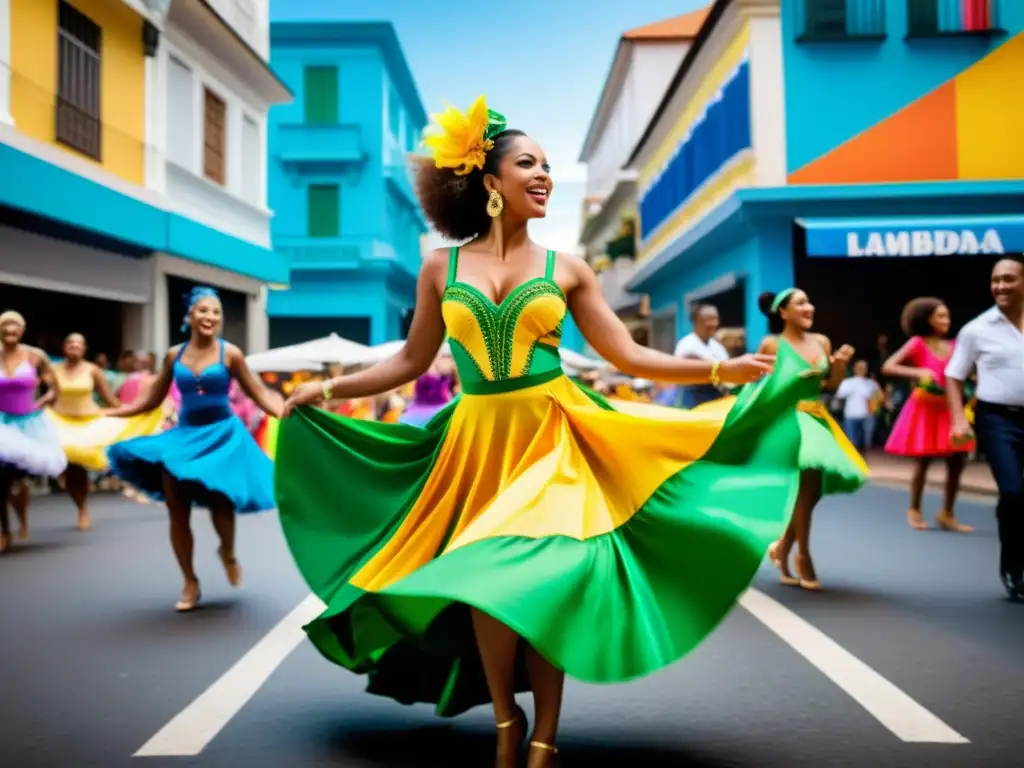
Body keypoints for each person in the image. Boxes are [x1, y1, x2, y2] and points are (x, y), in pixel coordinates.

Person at [273, 96, 808, 767]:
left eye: (548, 166)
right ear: (489, 181)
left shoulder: (569, 268)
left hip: (554, 439)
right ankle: (507, 721)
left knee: (541, 583)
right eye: (529, 163)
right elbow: (409, 362)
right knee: (485, 587)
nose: (545, 175)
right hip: (475, 448)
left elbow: (628, 355)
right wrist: (324, 390)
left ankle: (545, 738)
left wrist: (722, 369)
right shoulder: (439, 267)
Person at [104, 287, 283, 612]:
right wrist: (113, 412)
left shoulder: (231, 354)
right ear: (190, 315)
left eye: (216, 312)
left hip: (221, 437)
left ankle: (228, 553)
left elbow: (259, 394)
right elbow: (152, 400)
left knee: (221, 503)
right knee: (176, 507)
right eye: (203, 310)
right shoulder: (174, 355)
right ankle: (189, 581)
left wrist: (287, 412)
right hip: (184, 436)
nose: (210, 317)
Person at [752, 289, 863, 590]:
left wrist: (839, 363)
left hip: (816, 419)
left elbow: (831, 385)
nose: (809, 307)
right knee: (805, 488)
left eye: (809, 301)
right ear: (783, 312)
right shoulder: (772, 344)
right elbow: (761, 388)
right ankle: (803, 556)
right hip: (787, 420)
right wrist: (788, 382)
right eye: (800, 303)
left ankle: (782, 548)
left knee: (810, 493)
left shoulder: (822, 341)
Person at [946, 257, 1024, 601]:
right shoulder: (977, 329)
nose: (1000, 286)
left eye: (1009, 279)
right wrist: (958, 418)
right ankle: (1014, 567)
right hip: (997, 420)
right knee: (1013, 492)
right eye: (996, 280)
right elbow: (954, 375)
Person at [46, 334, 164, 530]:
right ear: (63, 347)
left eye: (78, 343)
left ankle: (82, 508)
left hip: (87, 423)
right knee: (68, 470)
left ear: (84, 349)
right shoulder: (53, 369)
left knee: (78, 469)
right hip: (59, 422)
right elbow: (48, 394)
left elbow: (110, 399)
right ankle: (79, 503)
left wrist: (130, 412)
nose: (74, 346)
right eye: (70, 342)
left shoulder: (92, 370)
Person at [882, 298, 974, 532]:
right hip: (925, 407)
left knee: (958, 461)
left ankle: (947, 514)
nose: (946, 320)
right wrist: (918, 372)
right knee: (923, 461)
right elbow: (889, 366)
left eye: (947, 316)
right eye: (940, 316)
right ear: (926, 319)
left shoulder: (954, 345)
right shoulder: (918, 343)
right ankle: (914, 509)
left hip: (950, 408)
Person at [0, 311, 66, 551]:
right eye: (6, 326)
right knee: (2, 477)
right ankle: (4, 530)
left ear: (22, 330)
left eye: (15, 326)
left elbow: (55, 388)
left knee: (15, 480)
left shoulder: (35, 356)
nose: (10, 331)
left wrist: (43, 402)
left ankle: (22, 517)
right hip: (2, 424)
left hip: (29, 423)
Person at [674, 303, 729, 407]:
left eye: (715, 319)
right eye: (709, 320)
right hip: (693, 398)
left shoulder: (718, 347)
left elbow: (726, 370)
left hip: (715, 397)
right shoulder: (686, 344)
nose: (713, 324)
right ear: (697, 322)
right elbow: (683, 373)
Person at [835, 360, 881, 453]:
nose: (862, 370)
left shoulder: (871, 383)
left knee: (866, 444)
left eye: (864, 368)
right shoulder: (847, 382)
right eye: (859, 368)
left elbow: (877, 397)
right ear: (854, 369)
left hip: (867, 416)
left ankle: (865, 460)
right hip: (851, 415)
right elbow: (839, 395)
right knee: (852, 444)